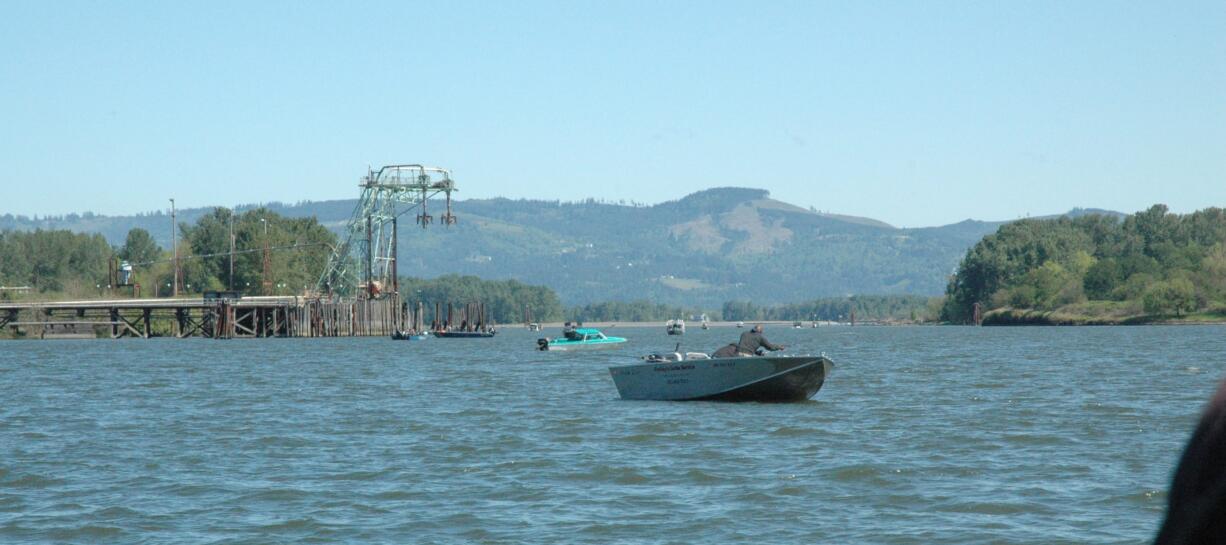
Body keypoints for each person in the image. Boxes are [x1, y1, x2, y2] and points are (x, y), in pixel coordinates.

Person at [713, 324, 785, 357]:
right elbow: (770, 347)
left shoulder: (744, 334)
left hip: (738, 354)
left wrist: (757, 353)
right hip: (747, 355)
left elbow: (744, 346)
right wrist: (779, 347)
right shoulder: (760, 338)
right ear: (760, 332)